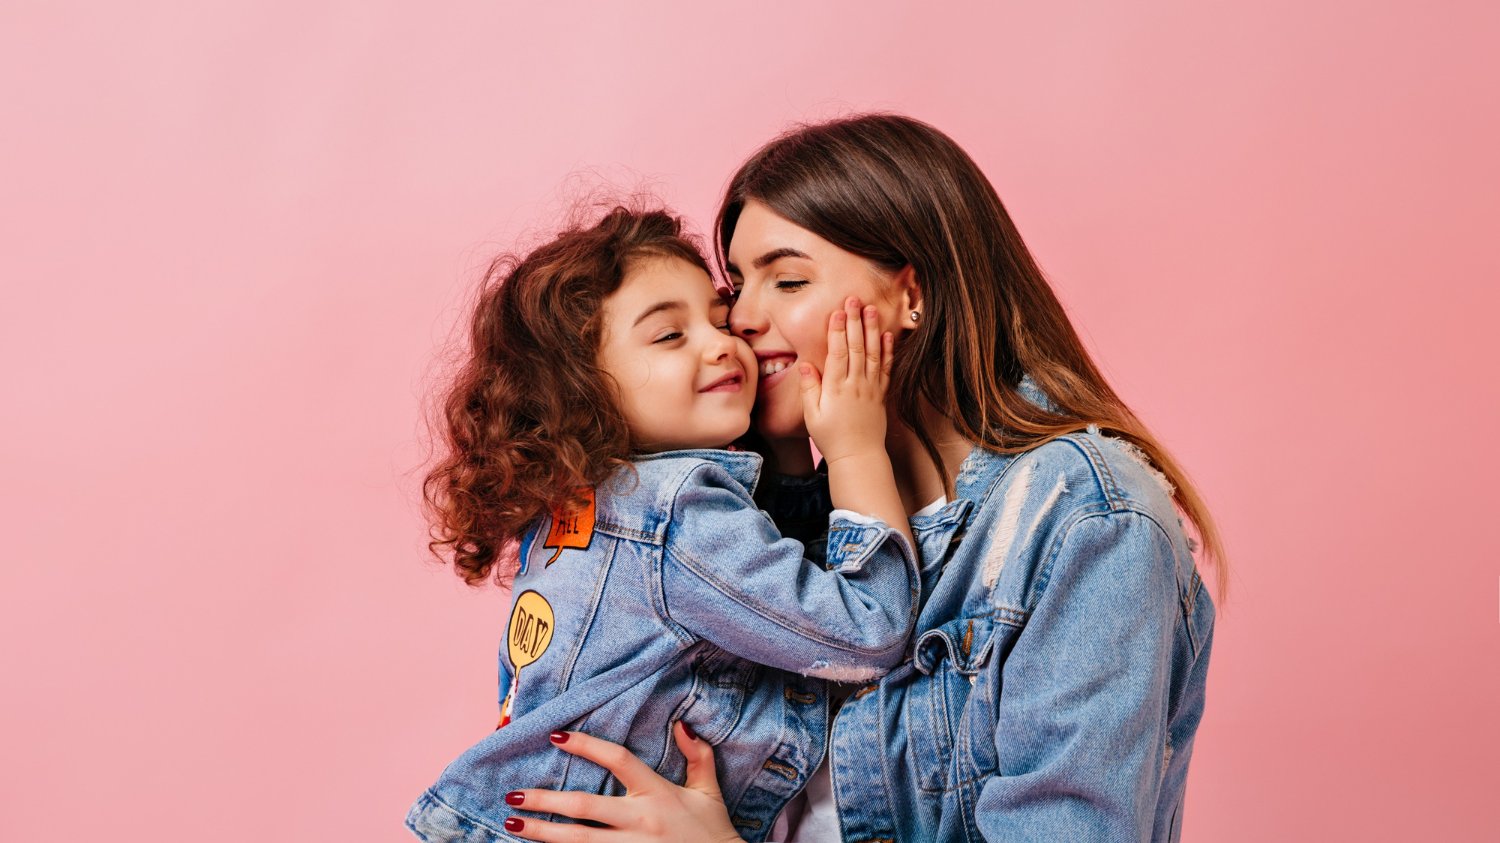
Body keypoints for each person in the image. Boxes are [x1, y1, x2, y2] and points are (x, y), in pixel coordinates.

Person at [497, 114, 1224, 842]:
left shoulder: (1086, 522)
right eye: (736, 290)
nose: (740, 322)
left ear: (913, 296)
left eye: (786, 280)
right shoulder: (749, 518)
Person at [406, 206, 924, 842]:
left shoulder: (583, 507)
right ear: (581, 390)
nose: (726, 342)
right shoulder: (674, 514)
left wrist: (786, 457)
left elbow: (763, 586)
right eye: (669, 336)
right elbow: (865, 635)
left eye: (715, 316)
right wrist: (854, 451)